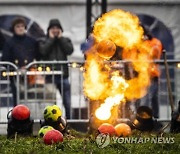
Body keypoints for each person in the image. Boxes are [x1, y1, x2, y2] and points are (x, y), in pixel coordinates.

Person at [39, 19, 74, 119]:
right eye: (53, 28)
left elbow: (69, 50)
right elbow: (43, 51)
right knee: (49, 102)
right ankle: (50, 121)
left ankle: (70, 123)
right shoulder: (44, 40)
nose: (55, 30)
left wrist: (60, 39)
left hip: (63, 76)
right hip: (49, 77)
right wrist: (51, 39)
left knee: (67, 102)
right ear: (49, 29)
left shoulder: (65, 40)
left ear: (60, 29)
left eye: (57, 28)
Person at [2, 17, 39, 105]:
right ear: (14, 29)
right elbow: (5, 58)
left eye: (22, 26)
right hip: (15, 75)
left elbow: (37, 55)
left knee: (32, 96)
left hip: (31, 74)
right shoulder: (9, 43)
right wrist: (15, 68)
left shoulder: (32, 41)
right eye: (18, 26)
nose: (20, 28)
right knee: (17, 98)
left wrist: (31, 67)